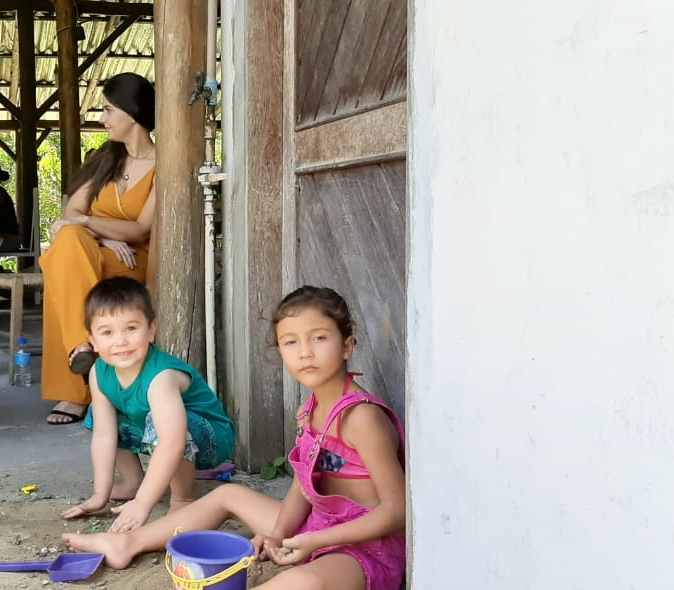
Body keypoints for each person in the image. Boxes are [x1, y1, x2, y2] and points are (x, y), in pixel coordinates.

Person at [63, 286, 406, 590]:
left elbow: (397, 512)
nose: (305, 352)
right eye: (291, 341)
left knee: (304, 581)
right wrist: (277, 533)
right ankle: (128, 543)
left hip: (366, 546)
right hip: (318, 526)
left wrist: (313, 540)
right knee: (227, 494)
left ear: (347, 346)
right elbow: (304, 484)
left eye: (319, 338)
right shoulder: (311, 408)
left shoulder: (361, 417)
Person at [60, 277, 235, 532]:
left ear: (151, 329)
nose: (120, 341)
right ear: (93, 340)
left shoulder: (160, 377)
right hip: (160, 432)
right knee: (99, 417)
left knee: (162, 424)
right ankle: (133, 481)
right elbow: (104, 435)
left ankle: (182, 498)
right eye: (107, 332)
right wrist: (101, 493)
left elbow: (173, 442)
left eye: (131, 328)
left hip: (210, 437)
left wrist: (142, 505)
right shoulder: (99, 371)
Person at [39, 72, 156, 425]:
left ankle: (73, 390)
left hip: (133, 260)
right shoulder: (106, 160)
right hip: (97, 249)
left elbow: (140, 228)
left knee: (64, 258)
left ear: (131, 113)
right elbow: (70, 212)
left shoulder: (165, 165)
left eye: (108, 110)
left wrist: (89, 223)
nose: (102, 119)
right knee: (67, 246)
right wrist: (102, 236)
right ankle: (81, 347)